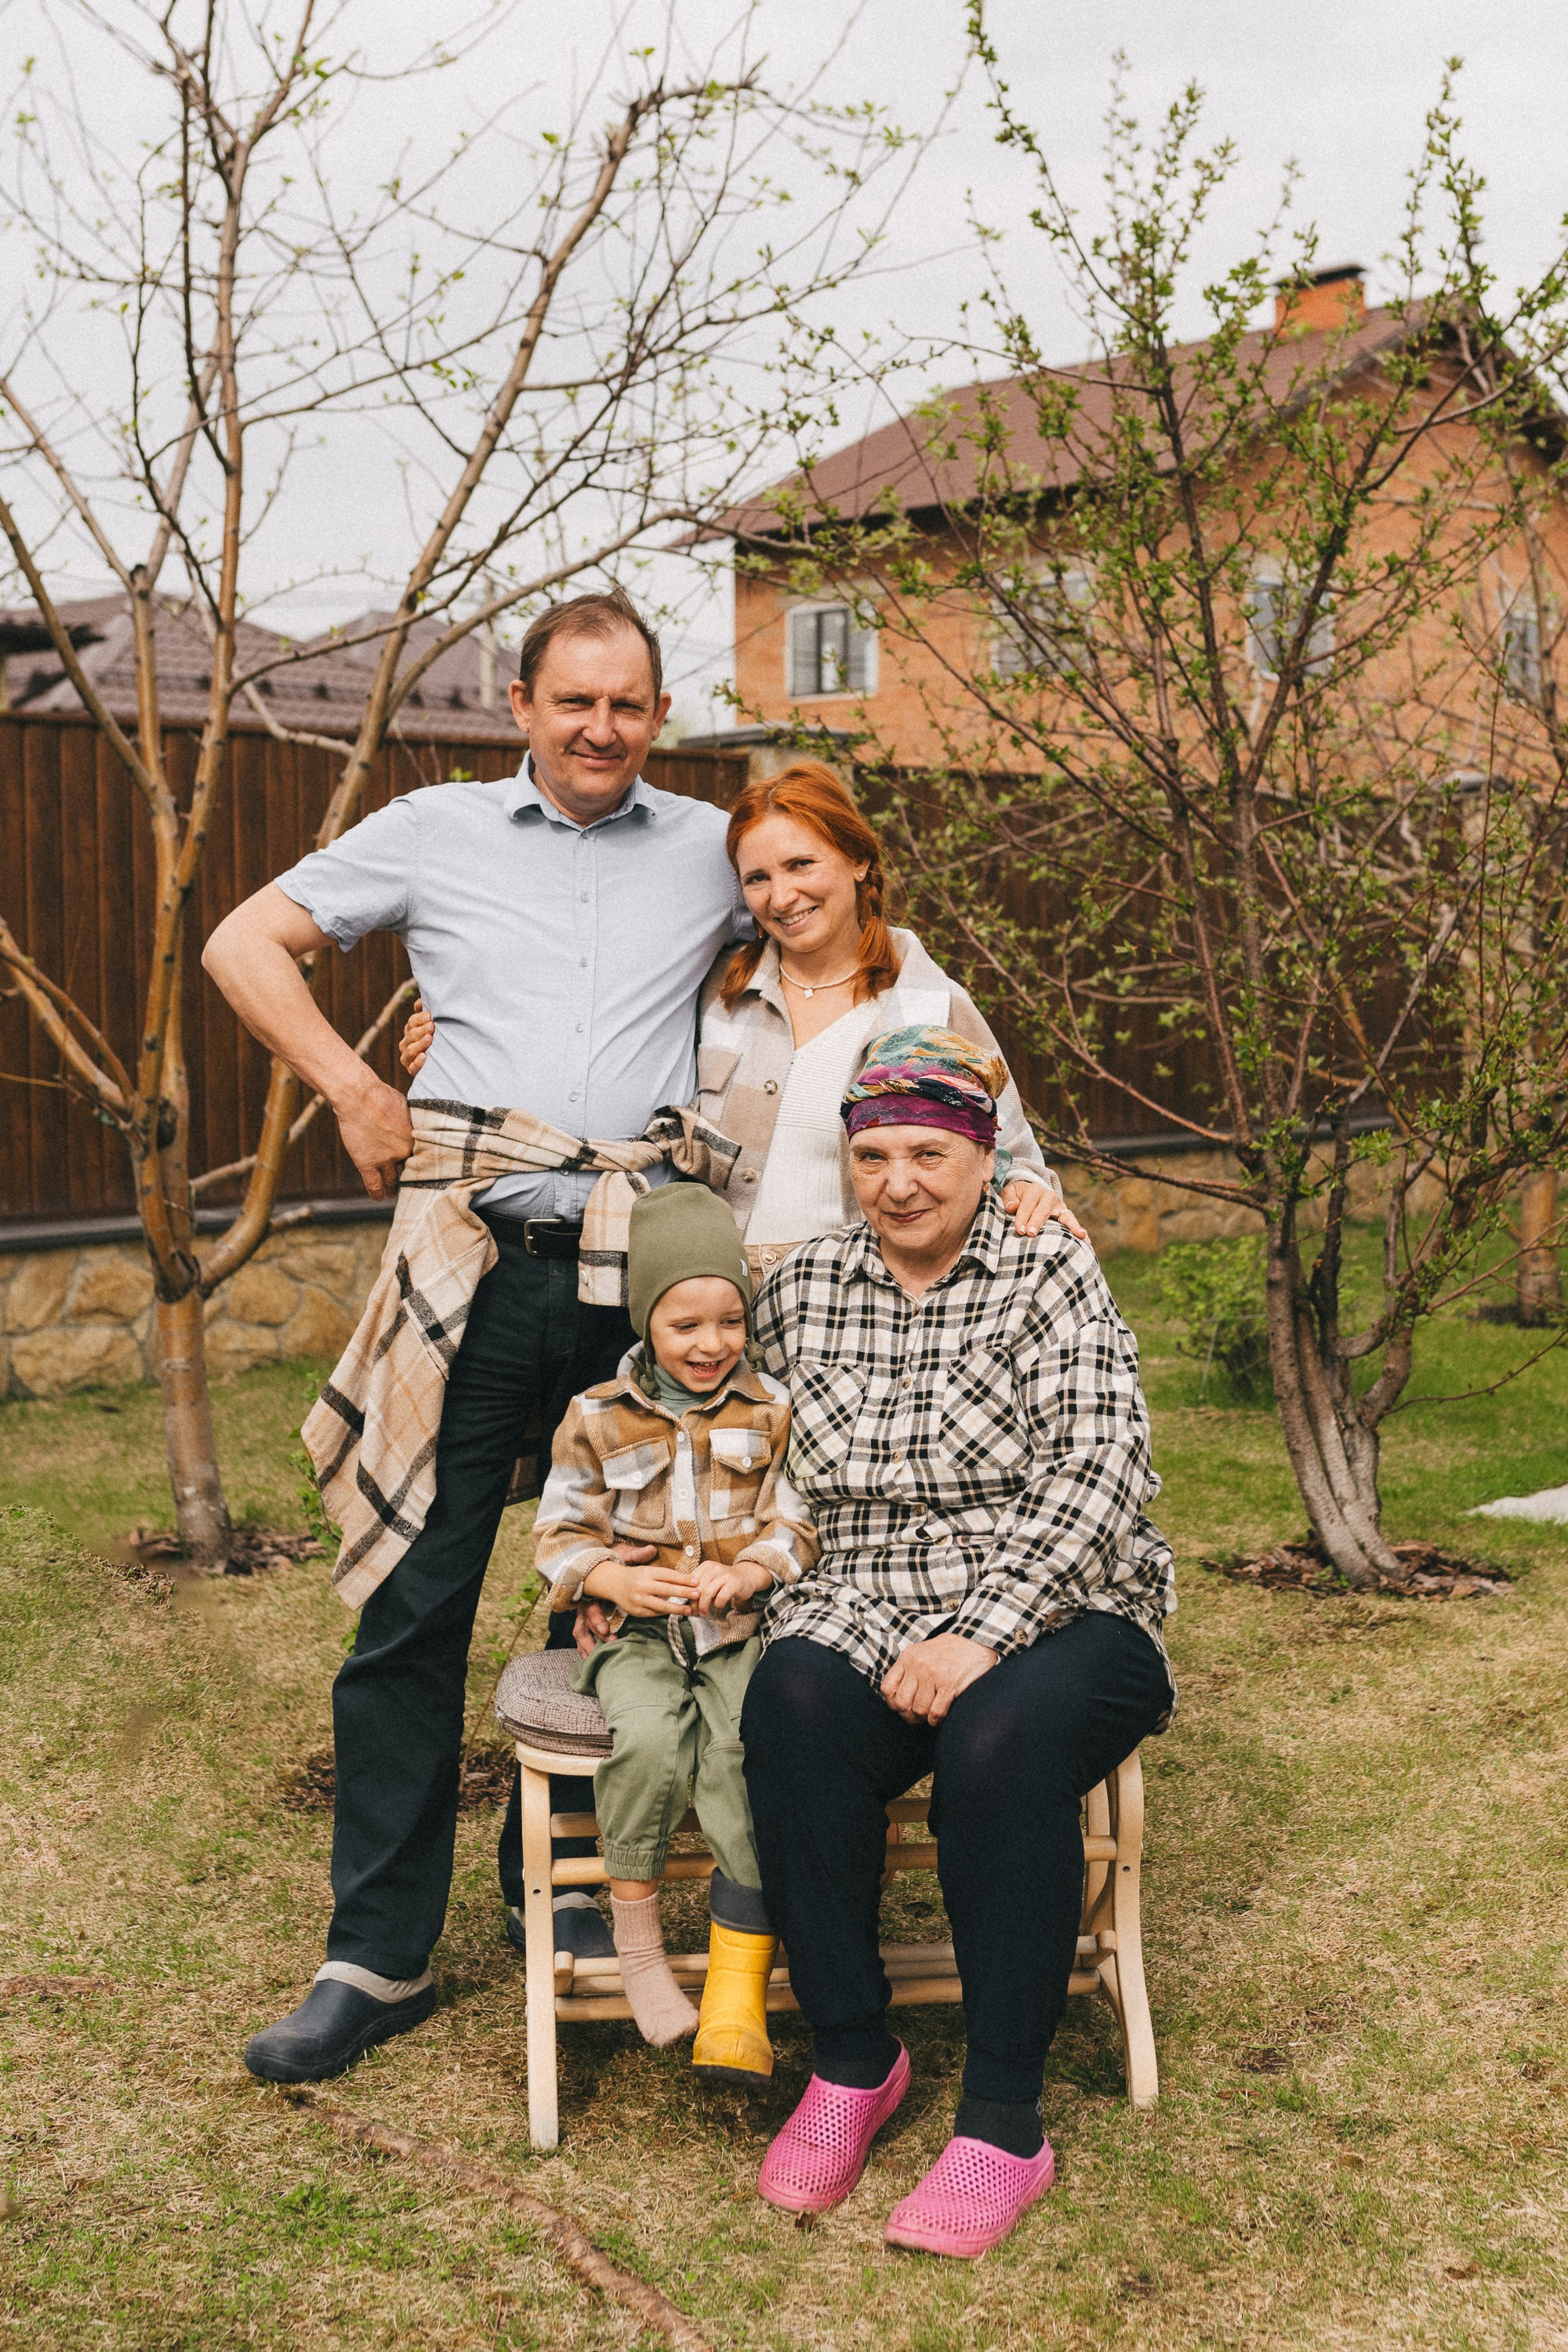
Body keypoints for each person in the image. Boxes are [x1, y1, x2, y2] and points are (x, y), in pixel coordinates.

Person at [203, 587, 754, 2083]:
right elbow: (245, 943)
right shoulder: (432, 830)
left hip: (647, 1285)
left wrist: (1007, 1167)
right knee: (415, 1608)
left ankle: (566, 1913)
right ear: (521, 704)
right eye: (573, 702)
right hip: (478, 1264)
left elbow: (850, 953)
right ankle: (373, 1958)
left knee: (636, 1594)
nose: (601, 730)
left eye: (629, 705)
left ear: (658, 714)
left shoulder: (714, 849)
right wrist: (353, 1083)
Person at [740, 1026, 1177, 2261]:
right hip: (864, 1591)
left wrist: (979, 1634)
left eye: (930, 1152)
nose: (901, 1183)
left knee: (996, 1747)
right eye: (873, 1155)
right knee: (794, 1706)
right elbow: (732, 1444)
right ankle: (853, 2059)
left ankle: (1001, 2123)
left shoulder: (1049, 1269)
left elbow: (1100, 1474)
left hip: (1067, 1601)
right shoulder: (803, 1286)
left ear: (985, 1156)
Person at [406, 760, 1087, 1279]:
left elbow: (1012, 1157)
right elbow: (590, 1030)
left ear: (857, 859)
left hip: (864, 1316)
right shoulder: (716, 997)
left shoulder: (929, 1008)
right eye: (757, 877)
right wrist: (444, 1042)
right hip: (719, 1319)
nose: (781, 896)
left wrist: (1028, 1189)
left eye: (801, 864)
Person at [533, 1183, 815, 2084]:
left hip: (739, 1624)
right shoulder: (595, 1415)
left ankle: (741, 1970)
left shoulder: (771, 1408)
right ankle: (640, 1945)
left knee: (742, 1749)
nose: (710, 1345)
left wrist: (752, 1569)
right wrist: (609, 1577)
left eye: (728, 1321)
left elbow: (796, 1519)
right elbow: (558, 1533)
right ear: (645, 1321)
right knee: (649, 1745)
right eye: (684, 1325)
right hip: (635, 1635)